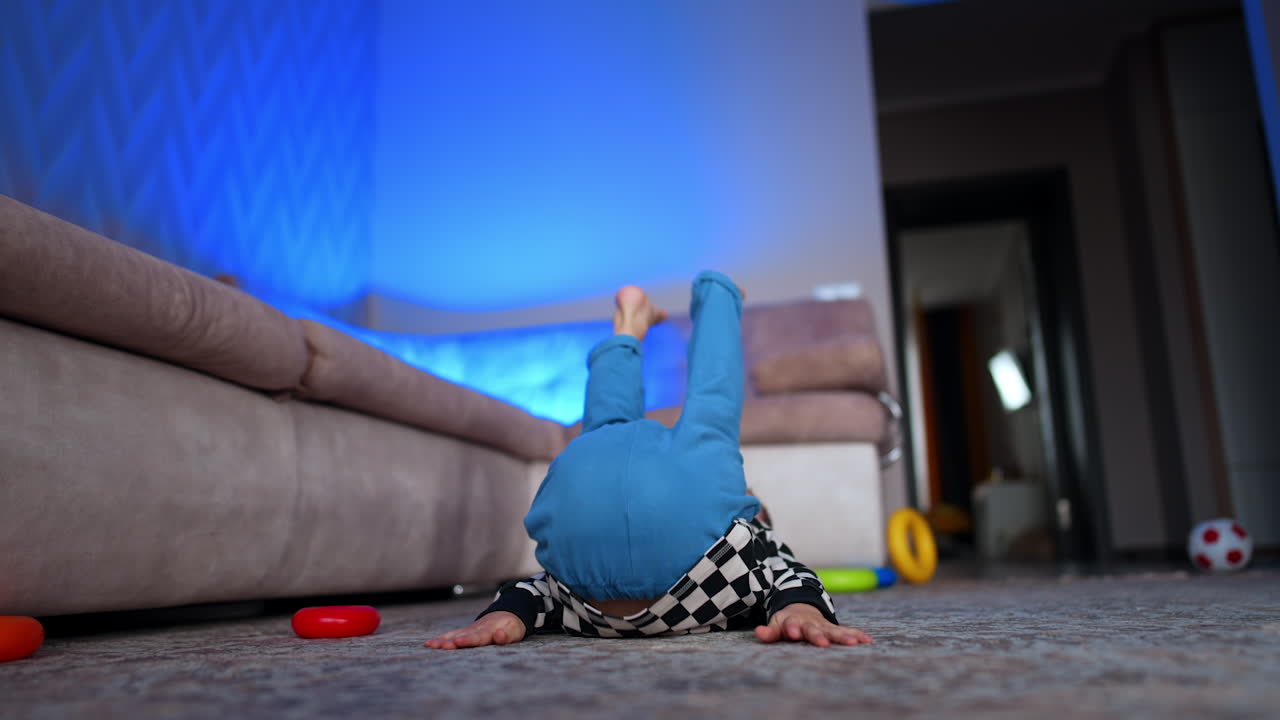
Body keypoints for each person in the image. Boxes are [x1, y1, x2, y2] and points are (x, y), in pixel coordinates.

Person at [425, 271, 873, 650]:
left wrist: (505, 614)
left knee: (680, 413)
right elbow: (795, 578)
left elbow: (528, 592)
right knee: (636, 424)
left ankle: (676, 310)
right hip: (582, 515)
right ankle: (651, 319)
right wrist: (799, 610)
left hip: (582, 505)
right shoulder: (755, 565)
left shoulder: (749, 542)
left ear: (750, 515)